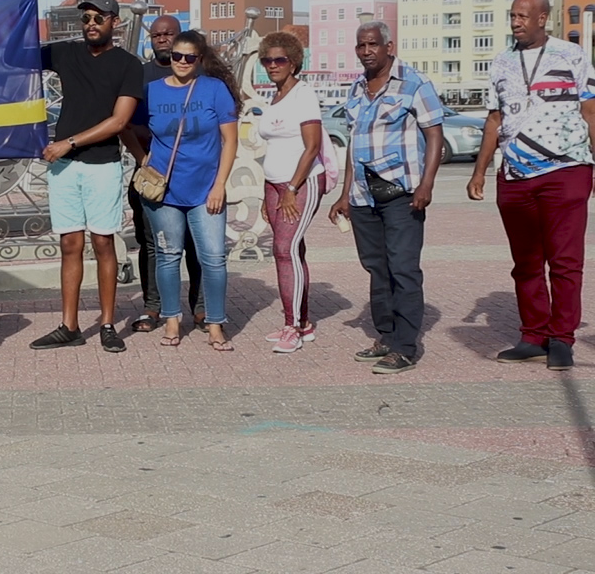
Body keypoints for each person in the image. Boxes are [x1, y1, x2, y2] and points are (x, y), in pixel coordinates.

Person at [469, 0, 595, 372]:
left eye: (524, 16)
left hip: (567, 168)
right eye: (512, 16)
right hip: (516, 174)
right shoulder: (502, 62)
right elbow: (494, 119)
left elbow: (590, 110)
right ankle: (533, 336)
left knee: (565, 261)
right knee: (525, 262)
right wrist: (480, 170)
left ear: (543, 18)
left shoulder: (571, 55)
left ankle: (562, 339)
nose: (516, 22)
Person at [30, 0, 142, 354]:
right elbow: (16, 53)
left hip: (102, 165)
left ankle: (108, 323)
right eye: (86, 18)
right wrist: (12, 15)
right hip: (63, 169)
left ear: (114, 22)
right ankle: (70, 325)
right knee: (69, 244)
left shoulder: (128, 65)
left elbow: (120, 121)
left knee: (103, 242)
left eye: (99, 18)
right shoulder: (65, 53)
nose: (91, 24)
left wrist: (69, 143)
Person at [328, 22, 443, 375]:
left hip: (403, 194)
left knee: (403, 268)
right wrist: (345, 194)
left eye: (373, 45)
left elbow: (435, 135)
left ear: (388, 46)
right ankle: (387, 336)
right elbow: (354, 145)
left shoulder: (414, 84)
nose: (366, 51)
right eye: (361, 46)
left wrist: (426, 185)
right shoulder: (356, 89)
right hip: (364, 196)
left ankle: (406, 346)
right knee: (377, 269)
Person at [127, 30, 238, 352]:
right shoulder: (152, 92)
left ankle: (216, 324)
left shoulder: (214, 89)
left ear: (200, 60)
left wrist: (219, 185)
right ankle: (172, 319)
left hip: (206, 190)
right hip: (163, 194)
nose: (183, 62)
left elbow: (230, 140)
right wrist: (142, 157)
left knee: (214, 258)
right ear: (170, 56)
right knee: (168, 255)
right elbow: (125, 125)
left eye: (190, 57)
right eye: (178, 56)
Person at [129, 15, 204, 336]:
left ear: (179, 36)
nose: (162, 39)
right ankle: (152, 305)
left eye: (168, 34)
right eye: (156, 34)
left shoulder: (200, 76)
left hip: (193, 174)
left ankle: (200, 307)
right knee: (152, 243)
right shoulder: (140, 76)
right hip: (151, 175)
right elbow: (127, 123)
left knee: (195, 243)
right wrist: (145, 158)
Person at [255, 31, 327, 354]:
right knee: (292, 251)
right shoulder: (274, 98)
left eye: (279, 60)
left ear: (294, 62)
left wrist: (292, 188)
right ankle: (304, 322)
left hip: (301, 182)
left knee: (284, 249)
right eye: (267, 60)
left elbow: (312, 147)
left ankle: (293, 326)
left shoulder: (303, 95)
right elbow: (273, 148)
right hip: (273, 184)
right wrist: (265, 193)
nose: (273, 65)